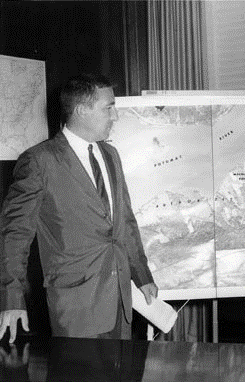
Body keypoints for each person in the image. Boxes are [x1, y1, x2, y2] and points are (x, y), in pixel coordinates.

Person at [0, 73, 158, 342]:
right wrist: (12, 298)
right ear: (82, 111)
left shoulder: (111, 155)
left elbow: (125, 222)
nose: (115, 116)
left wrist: (141, 274)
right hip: (75, 306)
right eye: (108, 107)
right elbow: (14, 234)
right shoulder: (39, 161)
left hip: (120, 302)